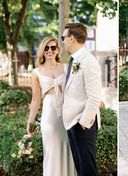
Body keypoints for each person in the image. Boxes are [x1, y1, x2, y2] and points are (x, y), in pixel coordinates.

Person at [26, 37, 77, 176]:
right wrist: (30, 123)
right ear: (42, 51)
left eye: (53, 48)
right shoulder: (36, 72)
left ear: (57, 50)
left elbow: (77, 90)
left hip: (67, 114)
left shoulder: (67, 68)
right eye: (46, 48)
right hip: (49, 117)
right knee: (51, 151)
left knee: (69, 149)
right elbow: (36, 100)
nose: (50, 51)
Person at [61, 23, 102, 175]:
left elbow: (94, 98)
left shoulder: (89, 61)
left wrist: (83, 123)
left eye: (63, 37)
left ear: (72, 38)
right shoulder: (74, 60)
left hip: (83, 124)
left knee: (87, 170)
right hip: (72, 122)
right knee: (80, 168)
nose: (62, 41)